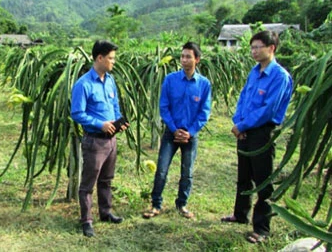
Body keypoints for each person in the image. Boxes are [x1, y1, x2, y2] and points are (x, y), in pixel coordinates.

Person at [221, 31, 292, 244]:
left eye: (258, 47)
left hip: (262, 132)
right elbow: (243, 97)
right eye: (252, 47)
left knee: (262, 180)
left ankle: (261, 228)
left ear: (271, 48)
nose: (254, 51)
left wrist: (243, 124)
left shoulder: (280, 76)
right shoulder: (254, 72)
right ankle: (240, 214)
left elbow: (268, 110)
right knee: (243, 176)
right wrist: (238, 121)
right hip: (244, 130)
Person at [143, 42, 211, 220]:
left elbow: (204, 112)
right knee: (162, 170)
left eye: (188, 56)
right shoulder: (170, 80)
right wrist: (174, 130)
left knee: (187, 172)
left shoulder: (204, 84)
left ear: (197, 59)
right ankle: (156, 204)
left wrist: (190, 131)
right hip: (170, 133)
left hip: (191, 135)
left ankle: (182, 204)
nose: (184, 60)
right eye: (182, 56)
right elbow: (164, 107)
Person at [71, 40, 128, 237]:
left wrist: (118, 122)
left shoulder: (110, 80)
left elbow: (115, 104)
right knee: (88, 184)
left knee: (106, 179)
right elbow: (77, 113)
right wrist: (100, 124)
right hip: (94, 140)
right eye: (111, 58)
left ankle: (105, 212)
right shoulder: (83, 84)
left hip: (111, 139)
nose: (114, 61)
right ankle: (86, 220)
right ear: (99, 58)